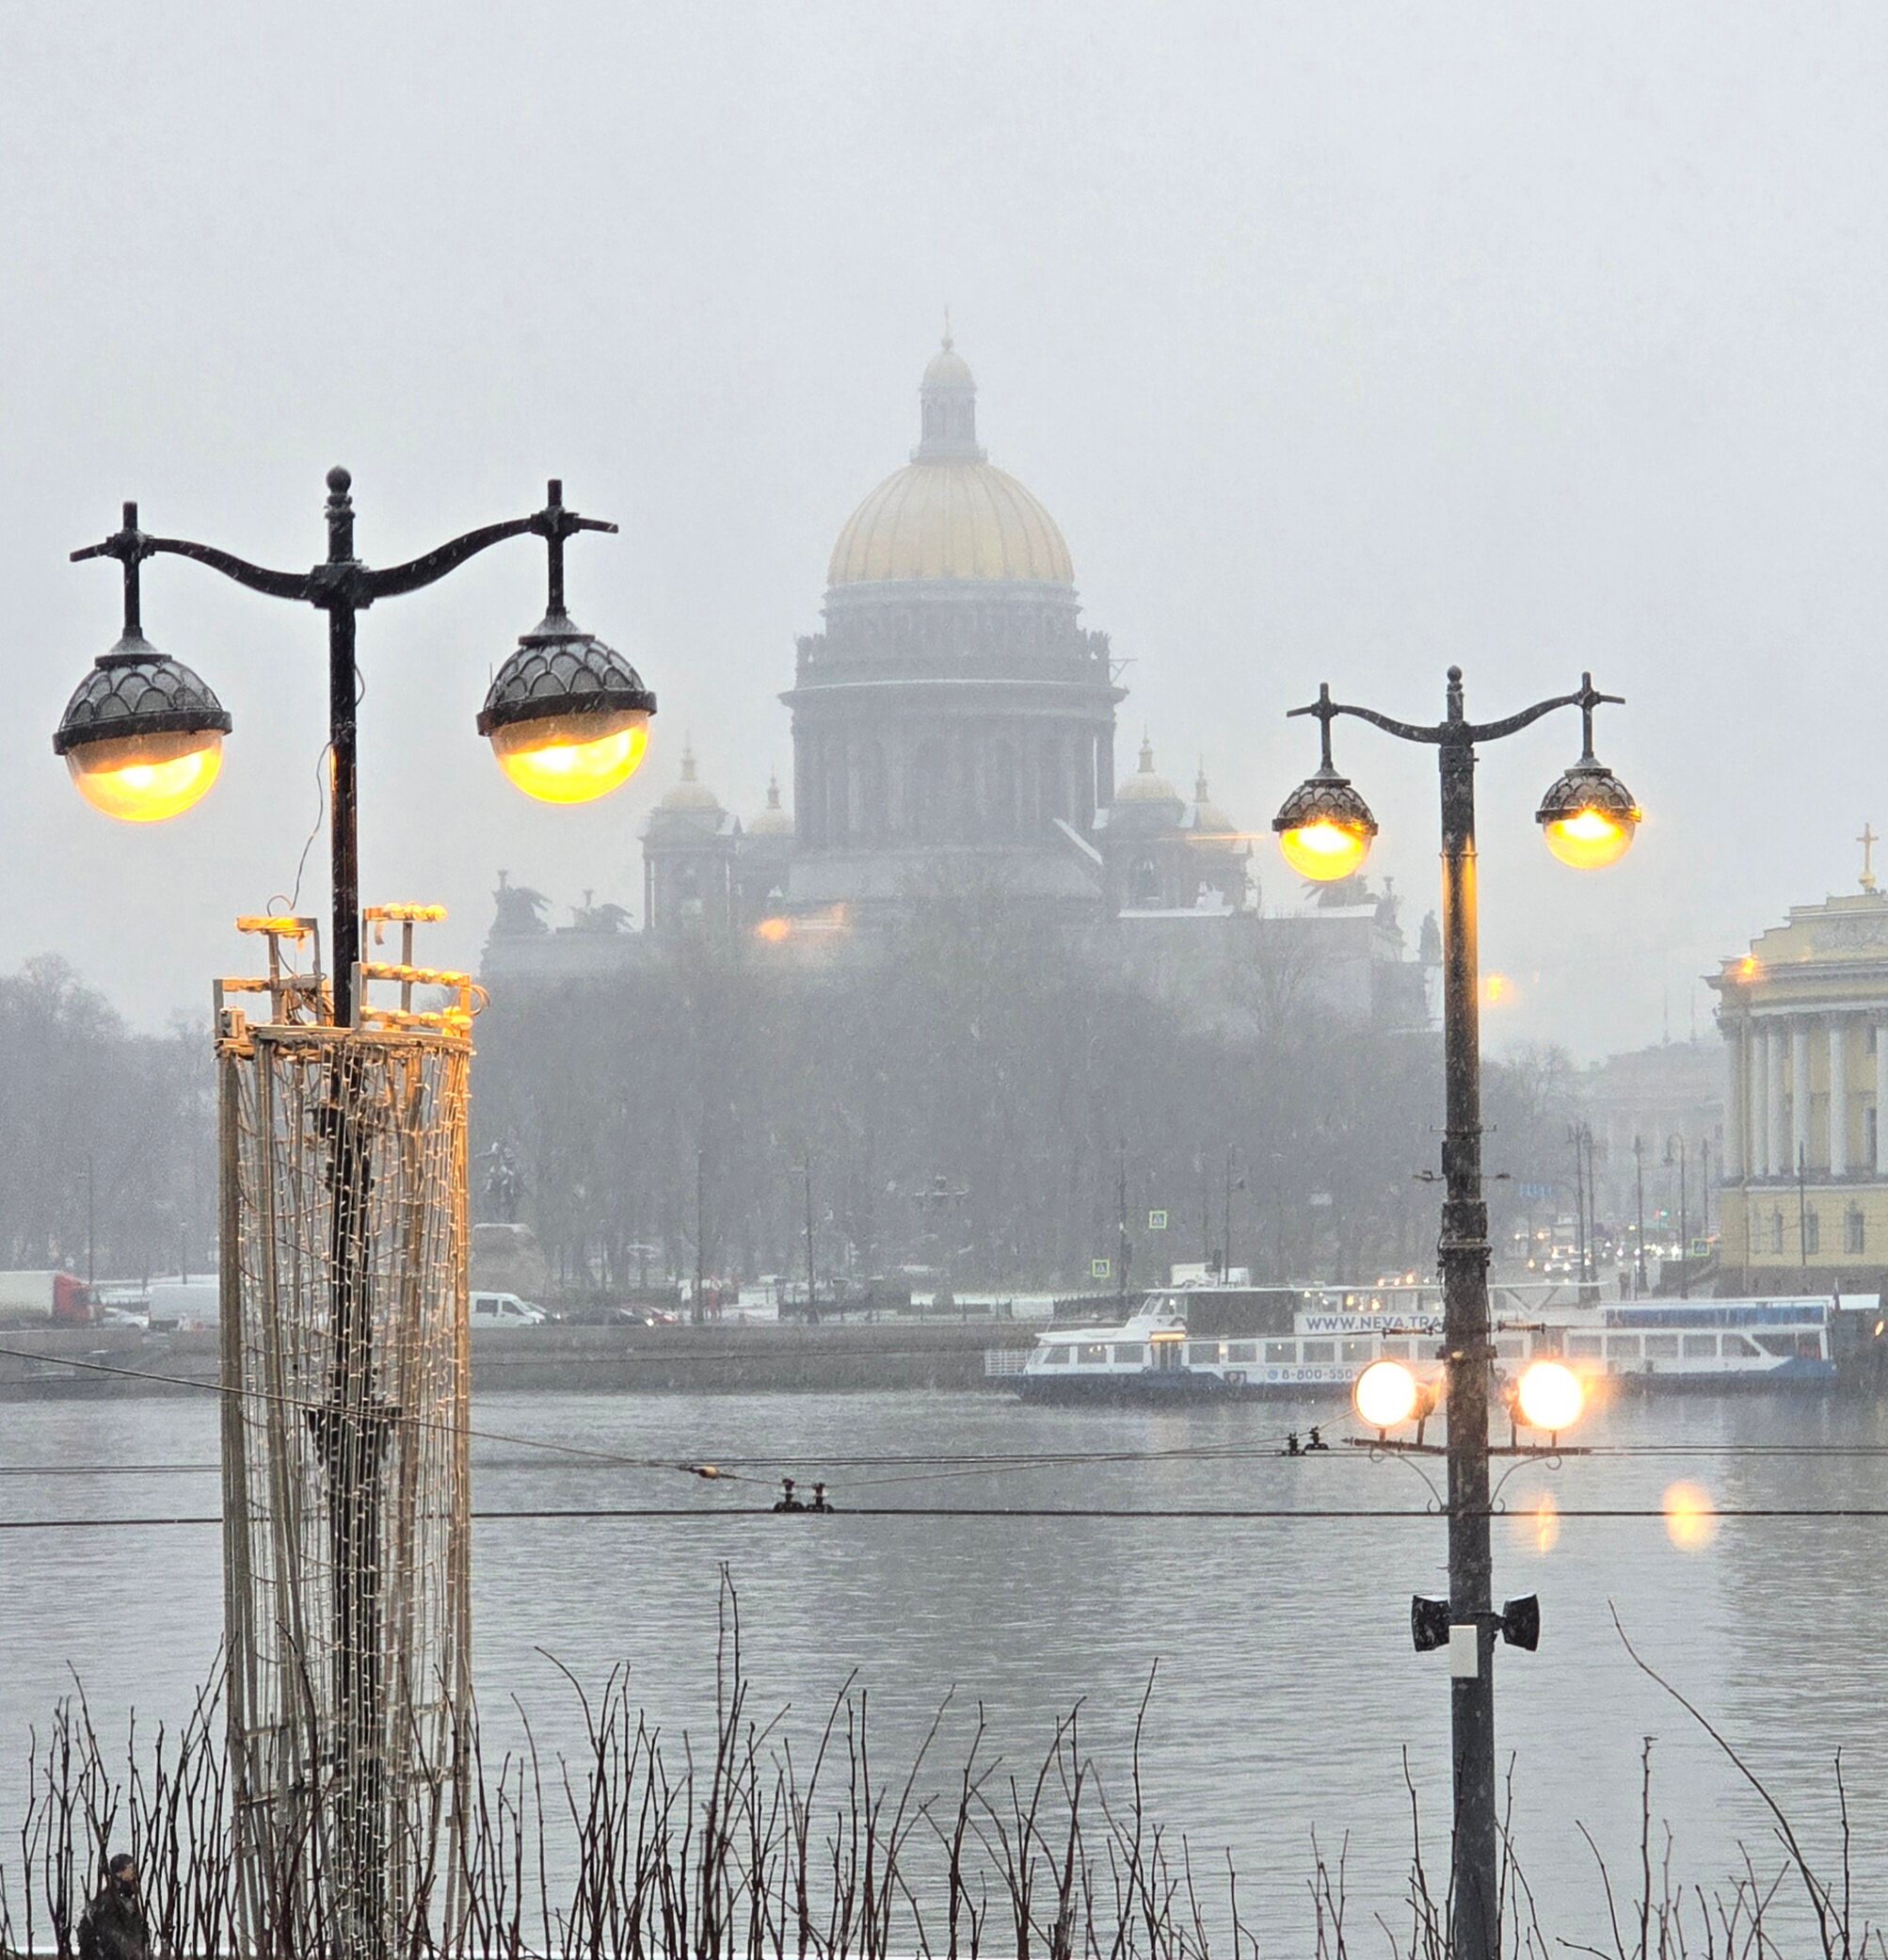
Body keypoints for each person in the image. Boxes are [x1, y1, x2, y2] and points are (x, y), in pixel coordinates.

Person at [78, 1853, 149, 1960]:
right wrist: (135, 1953)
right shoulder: (109, 1902)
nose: (134, 1872)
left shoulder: (128, 1899)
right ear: (119, 1873)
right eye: (130, 1868)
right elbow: (114, 1936)